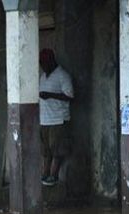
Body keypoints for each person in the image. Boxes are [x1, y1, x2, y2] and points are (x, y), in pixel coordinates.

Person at [39, 48, 74, 187]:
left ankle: (53, 176)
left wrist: (50, 95)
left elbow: (70, 96)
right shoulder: (43, 76)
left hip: (58, 119)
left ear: (52, 61)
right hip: (44, 120)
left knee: (57, 150)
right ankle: (45, 174)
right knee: (46, 151)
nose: (42, 66)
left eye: (44, 63)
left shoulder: (62, 75)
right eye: (41, 63)